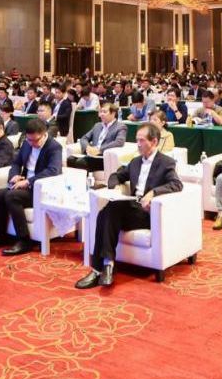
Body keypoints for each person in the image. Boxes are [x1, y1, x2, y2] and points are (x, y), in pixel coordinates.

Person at [75, 122, 182, 289]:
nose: (137, 144)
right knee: (105, 212)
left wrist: (153, 193)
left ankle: (99, 269)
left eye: (141, 141)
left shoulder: (166, 162)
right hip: (131, 209)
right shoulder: (135, 162)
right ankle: (106, 265)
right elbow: (116, 175)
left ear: (154, 141)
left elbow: (176, 184)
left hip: (148, 212)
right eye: (137, 140)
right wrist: (115, 187)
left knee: (108, 212)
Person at [0, 117, 63, 256]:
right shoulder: (27, 144)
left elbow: (53, 170)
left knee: (12, 196)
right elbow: (16, 163)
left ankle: (24, 240)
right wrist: (14, 176)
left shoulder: (54, 147)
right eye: (29, 140)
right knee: (0, 194)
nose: (32, 144)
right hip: (24, 185)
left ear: (44, 134)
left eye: (35, 140)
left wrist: (28, 181)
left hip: (41, 189)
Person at [67, 102, 126, 173]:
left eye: (104, 112)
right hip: (91, 155)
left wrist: (99, 150)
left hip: (103, 157)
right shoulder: (97, 125)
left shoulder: (120, 127)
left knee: (80, 162)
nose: (101, 114)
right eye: (101, 112)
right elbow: (84, 138)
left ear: (113, 113)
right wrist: (88, 147)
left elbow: (119, 142)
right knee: (70, 159)